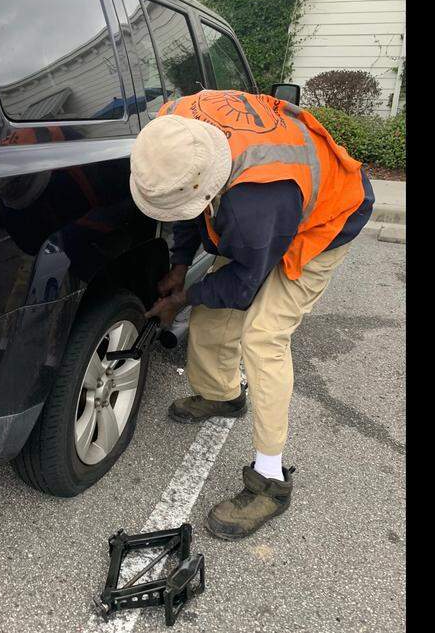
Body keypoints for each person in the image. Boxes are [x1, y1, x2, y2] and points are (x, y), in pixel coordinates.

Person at [128, 90, 375, 540]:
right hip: (271, 212)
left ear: (212, 182)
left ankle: (272, 481)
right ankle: (222, 395)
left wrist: (184, 297)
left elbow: (243, 285)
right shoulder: (174, 127)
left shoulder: (253, 205)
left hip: (327, 218)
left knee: (263, 336)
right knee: (209, 311)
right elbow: (188, 208)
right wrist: (181, 268)